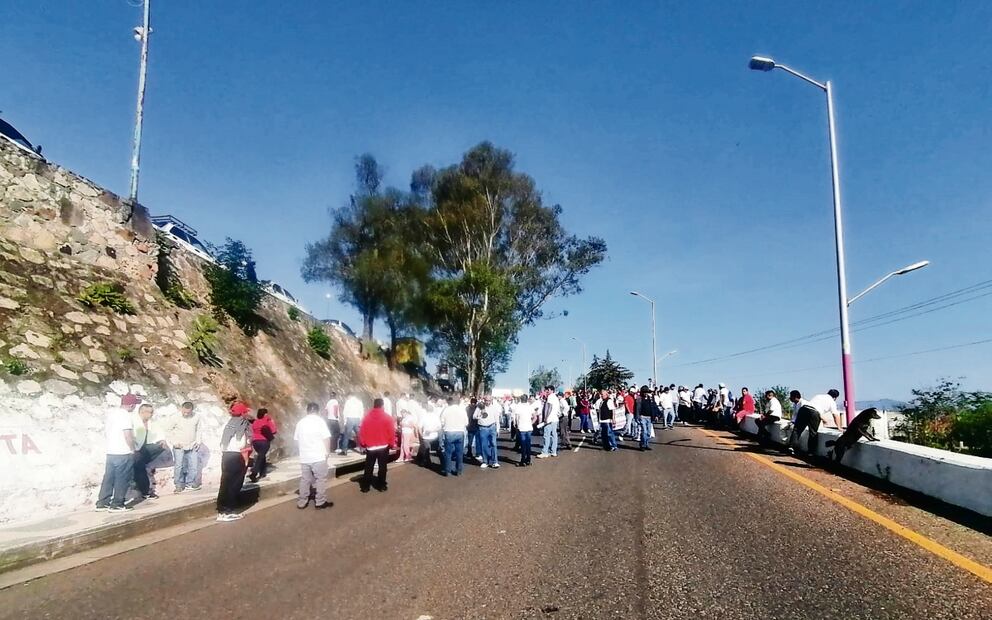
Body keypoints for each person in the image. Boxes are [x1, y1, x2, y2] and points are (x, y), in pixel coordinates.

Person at [95, 393, 139, 512]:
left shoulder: (111, 414)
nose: (135, 407)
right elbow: (128, 435)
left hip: (111, 451)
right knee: (122, 478)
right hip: (123, 452)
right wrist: (132, 449)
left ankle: (102, 502)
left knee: (108, 477)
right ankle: (117, 503)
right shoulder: (125, 416)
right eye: (134, 405)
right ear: (131, 405)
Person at [216, 402, 252, 522]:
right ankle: (228, 510)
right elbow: (241, 443)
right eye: (245, 412)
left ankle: (222, 510)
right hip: (237, 456)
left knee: (225, 483)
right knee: (234, 484)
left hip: (226, 456)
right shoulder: (242, 424)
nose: (247, 414)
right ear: (242, 413)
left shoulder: (229, 424)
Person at [133, 403, 173, 500]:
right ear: (142, 412)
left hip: (146, 449)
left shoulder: (151, 423)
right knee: (140, 468)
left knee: (162, 446)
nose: (151, 415)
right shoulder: (134, 421)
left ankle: (145, 490)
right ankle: (145, 491)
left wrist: (162, 440)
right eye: (149, 413)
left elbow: (159, 433)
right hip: (135, 449)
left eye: (152, 412)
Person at [357, 398, 397, 492]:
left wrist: (363, 443)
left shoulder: (366, 417)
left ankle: (365, 487)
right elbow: (391, 432)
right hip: (383, 446)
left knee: (369, 466)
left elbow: (361, 431)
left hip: (370, 447)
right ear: (382, 405)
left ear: (374, 405)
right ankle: (381, 485)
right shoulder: (387, 417)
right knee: (382, 466)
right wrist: (391, 443)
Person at [171, 401, 203, 493]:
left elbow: (199, 429)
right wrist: (174, 442)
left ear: (192, 410)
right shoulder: (175, 417)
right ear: (181, 409)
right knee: (179, 465)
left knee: (193, 465)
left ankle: (190, 483)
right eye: (184, 412)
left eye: (188, 412)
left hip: (192, 444)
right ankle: (178, 485)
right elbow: (168, 430)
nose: (185, 414)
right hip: (179, 445)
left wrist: (198, 441)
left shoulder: (197, 417)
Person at [440, 397, 468, 476]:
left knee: (448, 453)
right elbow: (466, 422)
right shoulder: (462, 410)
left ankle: (448, 471)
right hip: (459, 432)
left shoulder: (446, 410)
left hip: (449, 432)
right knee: (459, 453)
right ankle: (459, 471)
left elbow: (442, 421)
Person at [787, 390, 820, 455]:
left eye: (791, 397)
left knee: (798, 430)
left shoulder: (803, 403)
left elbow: (799, 415)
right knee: (812, 432)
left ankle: (793, 447)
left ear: (795, 397)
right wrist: (793, 421)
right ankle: (810, 452)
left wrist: (795, 422)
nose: (790, 398)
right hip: (813, 413)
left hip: (810, 411)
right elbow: (795, 415)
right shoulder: (795, 404)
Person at [249, 408, 277, 482]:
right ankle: (254, 473)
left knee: (262, 456)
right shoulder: (267, 421)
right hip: (264, 442)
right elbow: (274, 431)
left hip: (255, 442)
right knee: (260, 457)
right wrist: (272, 421)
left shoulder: (255, 422)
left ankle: (262, 473)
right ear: (265, 414)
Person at [475, 397, 501, 468]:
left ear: (491, 401)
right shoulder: (480, 407)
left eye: (489, 400)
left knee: (494, 444)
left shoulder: (494, 408)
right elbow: (474, 416)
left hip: (492, 427)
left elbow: (497, 420)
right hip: (483, 428)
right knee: (484, 445)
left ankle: (495, 462)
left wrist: (498, 429)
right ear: (484, 400)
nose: (488, 402)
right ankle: (485, 462)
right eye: (486, 400)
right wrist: (480, 416)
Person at [417, 400, 443, 469]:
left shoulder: (424, 416)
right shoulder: (436, 417)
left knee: (426, 451)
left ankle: (428, 463)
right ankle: (443, 463)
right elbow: (439, 427)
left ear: (426, 410)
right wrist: (432, 431)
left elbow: (419, 427)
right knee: (438, 450)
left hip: (426, 437)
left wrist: (421, 435)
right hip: (434, 436)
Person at [511, 395, 535, 466]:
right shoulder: (530, 407)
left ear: (521, 399)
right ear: (527, 399)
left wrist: (516, 426)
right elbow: (535, 417)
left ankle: (523, 460)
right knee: (528, 444)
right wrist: (531, 423)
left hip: (522, 428)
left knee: (523, 444)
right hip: (529, 427)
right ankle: (528, 459)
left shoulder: (518, 407)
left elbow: (516, 418)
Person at [537, 388, 561, 459]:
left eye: (548, 390)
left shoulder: (550, 397)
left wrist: (546, 417)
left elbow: (549, 407)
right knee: (554, 435)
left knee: (546, 435)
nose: (547, 391)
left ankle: (545, 452)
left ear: (551, 390)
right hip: (554, 418)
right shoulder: (556, 398)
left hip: (549, 419)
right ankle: (553, 451)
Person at [634, 386, 657, 450]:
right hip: (642, 417)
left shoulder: (651, 399)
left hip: (649, 417)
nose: (645, 393)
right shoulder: (639, 399)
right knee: (644, 432)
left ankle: (646, 444)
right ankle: (642, 445)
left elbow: (654, 407)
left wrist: (656, 415)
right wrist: (637, 417)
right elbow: (636, 409)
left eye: (646, 392)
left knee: (649, 432)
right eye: (644, 392)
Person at [465, 397, 481, 462]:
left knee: (470, 441)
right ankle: (478, 453)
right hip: (476, 426)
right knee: (477, 441)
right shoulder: (477, 409)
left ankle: (469, 452)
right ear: (476, 402)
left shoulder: (467, 408)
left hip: (469, 426)